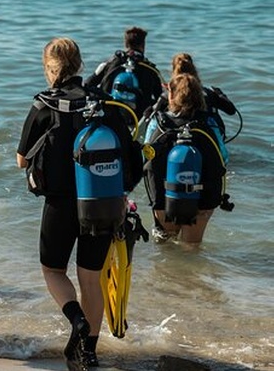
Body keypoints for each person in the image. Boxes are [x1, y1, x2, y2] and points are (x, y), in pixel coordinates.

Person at [17, 38, 140, 370]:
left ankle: (76, 320)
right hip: (102, 204)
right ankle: (88, 351)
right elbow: (133, 160)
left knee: (53, 270)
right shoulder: (107, 105)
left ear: (50, 68)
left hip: (60, 205)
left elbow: (20, 159)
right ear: (80, 65)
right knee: (91, 278)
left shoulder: (44, 105)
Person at [142, 73, 230, 245]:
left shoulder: (158, 123)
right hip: (202, 198)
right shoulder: (209, 123)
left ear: (172, 95)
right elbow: (223, 157)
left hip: (165, 196)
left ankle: (163, 272)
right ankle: (190, 272)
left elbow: (146, 155)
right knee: (192, 248)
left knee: (165, 245)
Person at [144, 53, 237, 164]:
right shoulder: (209, 93)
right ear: (194, 70)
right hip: (207, 146)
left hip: (173, 150)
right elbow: (231, 110)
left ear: (173, 71)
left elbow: (148, 115)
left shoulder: (166, 96)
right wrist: (220, 95)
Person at [85, 26, 163, 121]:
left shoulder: (110, 64)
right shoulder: (151, 69)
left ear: (125, 44)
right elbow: (160, 98)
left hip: (109, 115)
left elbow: (87, 85)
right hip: (138, 119)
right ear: (143, 45)